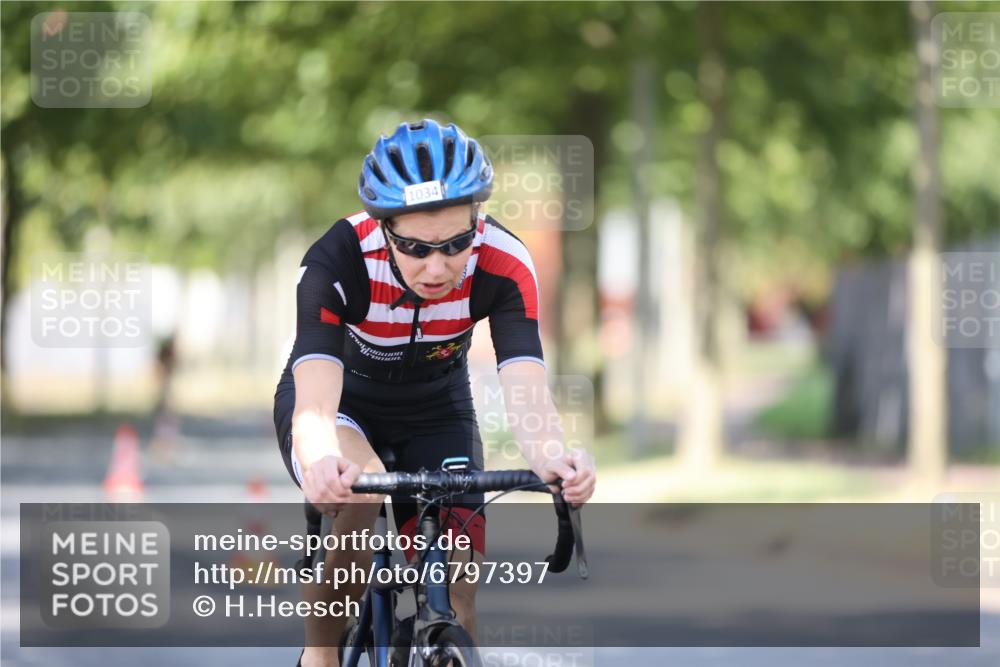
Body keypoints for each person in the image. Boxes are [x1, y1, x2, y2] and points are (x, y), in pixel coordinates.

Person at [273, 119, 596, 667]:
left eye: (455, 244)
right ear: (384, 228)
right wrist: (320, 459)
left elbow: (526, 389)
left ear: (478, 221)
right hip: (344, 409)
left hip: (436, 410)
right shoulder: (338, 260)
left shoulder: (504, 261)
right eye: (415, 247)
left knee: (461, 593)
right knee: (359, 493)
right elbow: (315, 406)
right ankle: (321, 654)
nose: (437, 266)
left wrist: (553, 459)